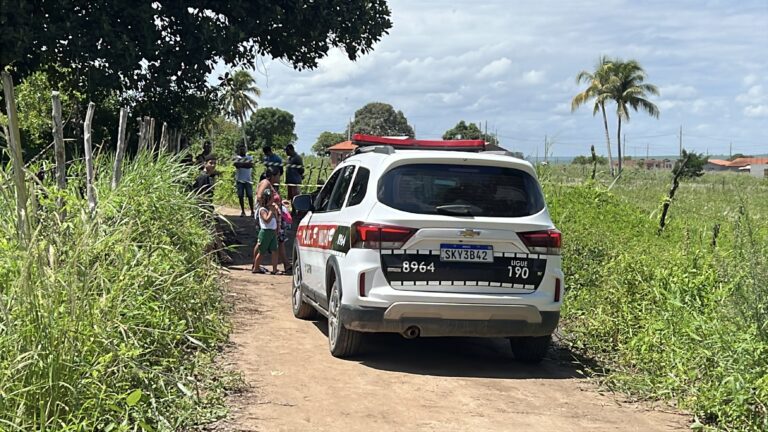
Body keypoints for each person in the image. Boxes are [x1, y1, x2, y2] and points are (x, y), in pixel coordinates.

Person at [252, 188, 281, 275]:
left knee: (275, 250)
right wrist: (271, 211)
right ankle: (256, 267)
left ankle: (275, 269)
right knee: (262, 251)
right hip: (265, 232)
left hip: (272, 231)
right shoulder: (262, 210)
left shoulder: (271, 208)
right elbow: (266, 220)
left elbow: (275, 219)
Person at [233, 144, 255, 217]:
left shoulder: (249, 157)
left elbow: (250, 165)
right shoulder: (237, 157)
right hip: (239, 179)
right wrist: (245, 164)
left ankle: (252, 211)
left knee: (250, 196)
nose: (242, 150)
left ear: (245, 150)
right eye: (241, 149)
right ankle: (242, 211)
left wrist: (241, 164)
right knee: (240, 196)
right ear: (239, 150)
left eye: (243, 149)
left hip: (248, 180)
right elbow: (236, 165)